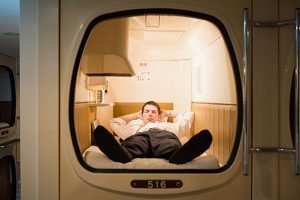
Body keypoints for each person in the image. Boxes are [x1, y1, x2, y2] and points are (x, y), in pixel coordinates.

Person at [93, 101, 212, 164]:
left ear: (159, 115)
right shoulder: (133, 128)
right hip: (140, 135)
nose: (150, 114)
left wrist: (167, 113)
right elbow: (114, 122)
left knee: (169, 144)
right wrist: (135, 115)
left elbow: (189, 114)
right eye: (147, 111)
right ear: (142, 114)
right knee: (133, 144)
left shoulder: (168, 126)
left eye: (154, 112)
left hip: (163, 134)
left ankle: (177, 155)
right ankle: (123, 154)